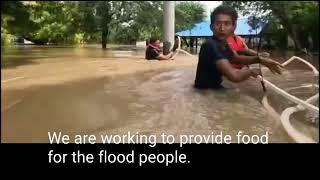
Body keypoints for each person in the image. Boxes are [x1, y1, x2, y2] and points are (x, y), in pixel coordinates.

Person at [194, 5, 283, 89]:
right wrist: (250, 71)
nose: (222, 28)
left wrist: (260, 59)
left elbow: (236, 58)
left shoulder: (223, 43)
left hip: (214, 88)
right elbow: (235, 76)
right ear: (211, 27)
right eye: (218, 24)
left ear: (234, 27)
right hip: (204, 92)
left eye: (227, 24)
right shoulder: (210, 45)